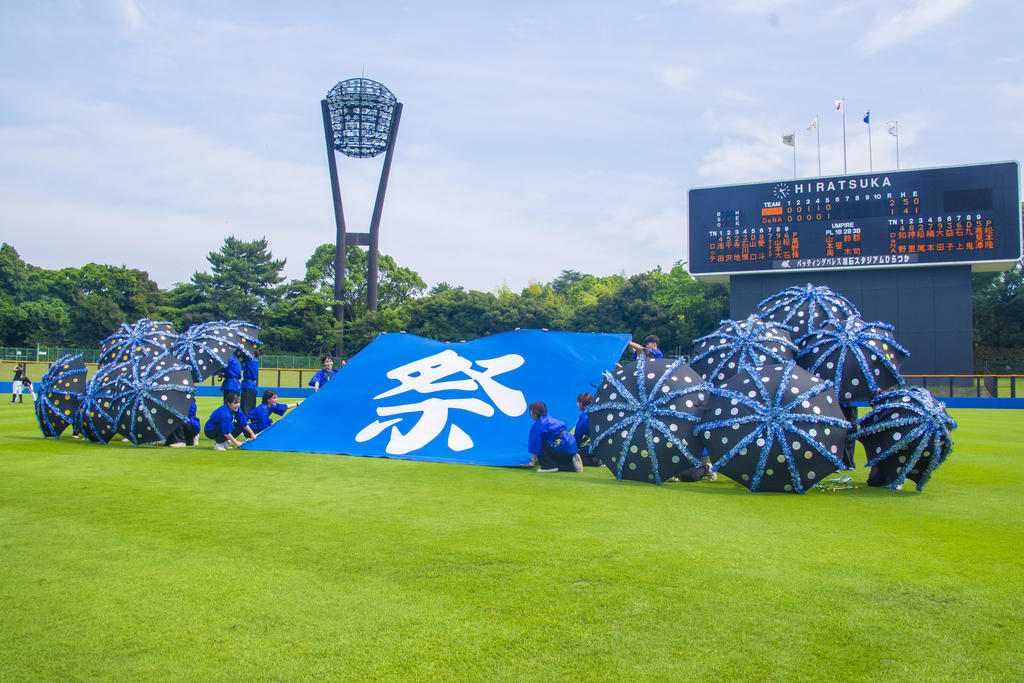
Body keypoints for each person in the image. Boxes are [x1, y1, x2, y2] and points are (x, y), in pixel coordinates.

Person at [527, 401, 582, 473]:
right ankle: (571, 464)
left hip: (559, 446)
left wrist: (532, 461)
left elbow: (535, 444)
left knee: (541, 442)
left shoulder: (538, 425)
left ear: (533, 413)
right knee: (554, 447)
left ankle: (549, 467)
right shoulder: (552, 419)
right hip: (570, 446)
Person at [573, 392, 603, 467]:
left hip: (587, 449)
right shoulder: (598, 413)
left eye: (578, 402)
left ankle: (593, 461)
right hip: (600, 447)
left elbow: (577, 436)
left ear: (581, 404)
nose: (577, 403)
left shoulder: (584, 417)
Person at [240, 351, 260, 415]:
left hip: (247, 384)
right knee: (252, 405)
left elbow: (242, 362)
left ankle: (245, 419)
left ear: (253, 354)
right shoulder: (256, 361)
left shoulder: (251, 361)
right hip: (253, 385)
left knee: (245, 405)